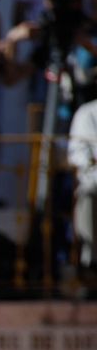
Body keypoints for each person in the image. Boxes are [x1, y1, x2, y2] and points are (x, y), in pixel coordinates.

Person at [72, 95, 97, 287]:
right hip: (94, 180)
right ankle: (90, 261)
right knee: (88, 193)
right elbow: (78, 154)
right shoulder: (87, 113)